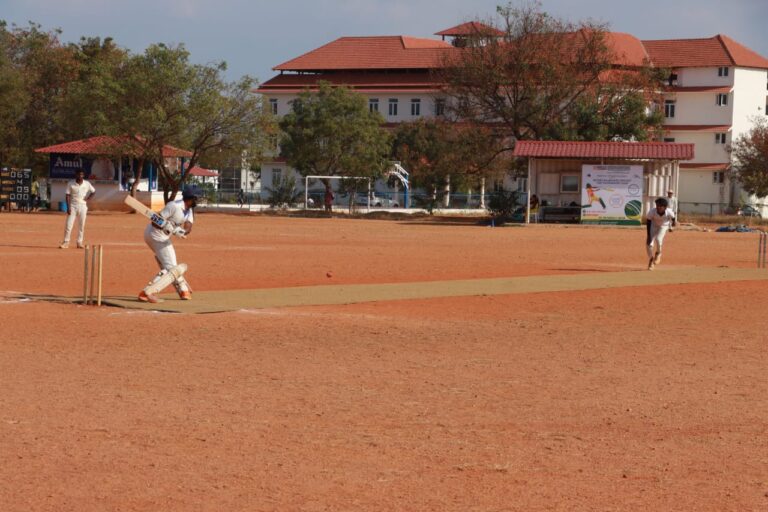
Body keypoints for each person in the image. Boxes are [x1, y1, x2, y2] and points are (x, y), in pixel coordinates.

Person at [138, 186, 199, 303]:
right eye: (197, 198)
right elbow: (154, 222)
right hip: (155, 235)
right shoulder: (174, 206)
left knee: (170, 265)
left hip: (163, 237)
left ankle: (183, 290)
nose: (198, 201)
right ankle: (147, 292)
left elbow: (188, 225)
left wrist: (182, 231)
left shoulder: (189, 210)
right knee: (171, 267)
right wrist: (168, 227)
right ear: (191, 198)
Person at [59, 169, 96, 249]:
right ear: (76, 175)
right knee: (69, 225)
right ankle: (66, 242)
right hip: (73, 206)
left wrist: (88, 199)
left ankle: (79, 242)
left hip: (83, 206)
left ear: (83, 175)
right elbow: (67, 195)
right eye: (78, 174)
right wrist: (68, 207)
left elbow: (93, 191)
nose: (80, 176)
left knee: (81, 225)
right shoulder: (70, 183)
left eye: (81, 174)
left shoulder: (87, 183)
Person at [646, 197, 676, 270]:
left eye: (660, 206)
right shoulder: (652, 211)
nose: (658, 207)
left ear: (665, 207)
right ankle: (651, 260)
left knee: (658, 239)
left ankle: (658, 253)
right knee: (648, 244)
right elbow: (648, 222)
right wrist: (649, 235)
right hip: (653, 226)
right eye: (657, 205)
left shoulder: (669, 212)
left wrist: (673, 223)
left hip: (663, 226)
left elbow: (673, 218)